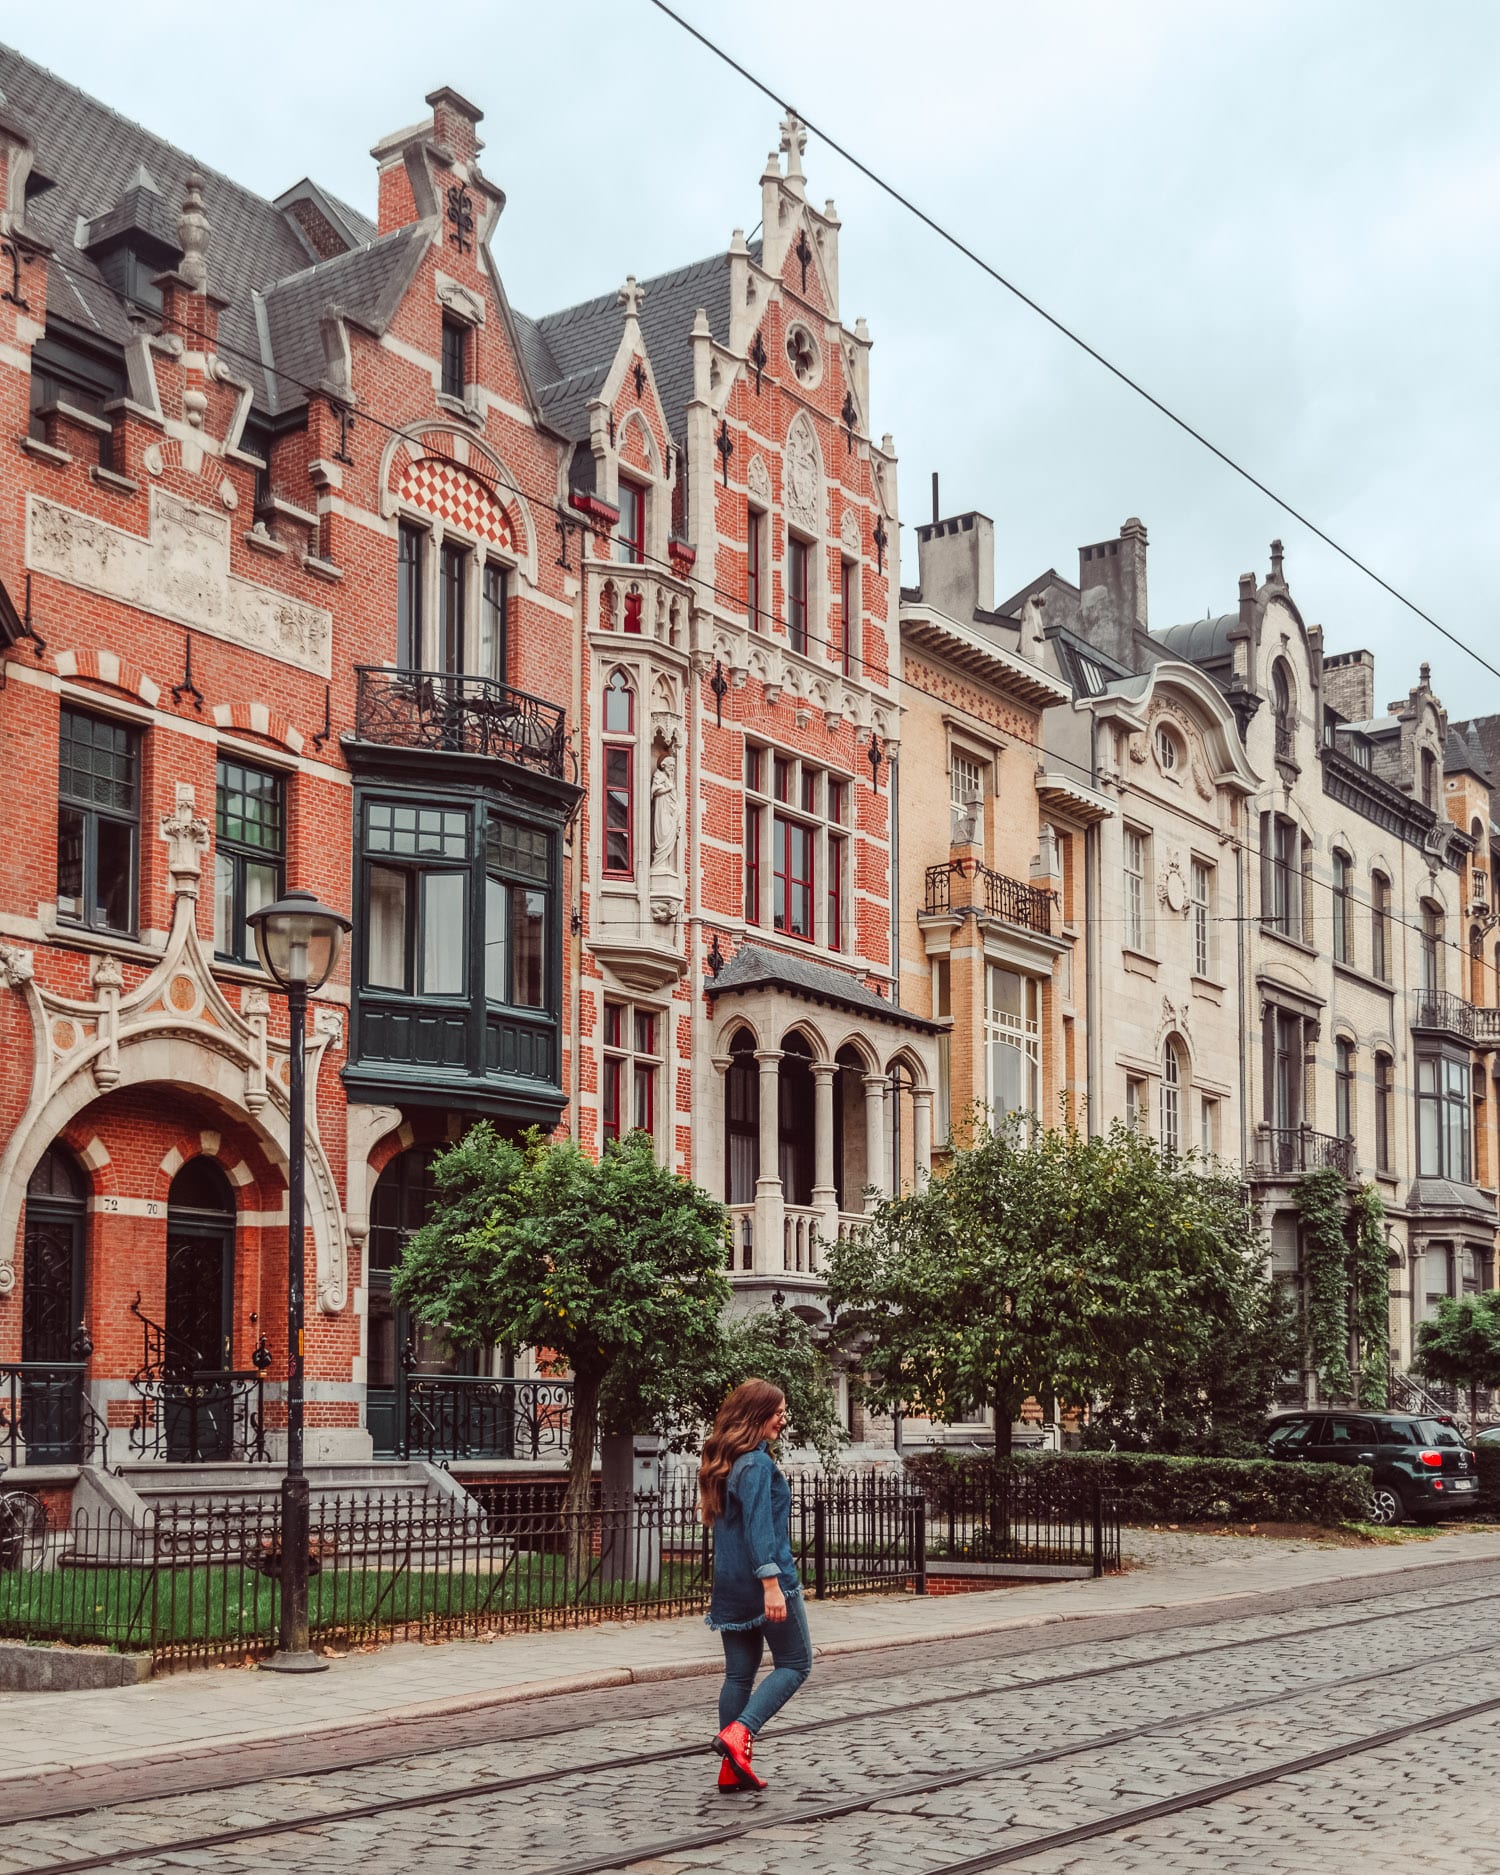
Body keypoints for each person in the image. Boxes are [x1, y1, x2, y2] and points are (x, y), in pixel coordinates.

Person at [699, 1378, 812, 1792]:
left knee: (739, 1677)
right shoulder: (757, 1465)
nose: (783, 1418)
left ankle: (731, 1769)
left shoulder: (723, 1461)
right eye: (779, 1411)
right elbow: (759, 1530)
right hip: (765, 1579)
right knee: (796, 1663)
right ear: (757, 1414)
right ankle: (740, 1732)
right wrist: (771, 1583)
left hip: (728, 1583)